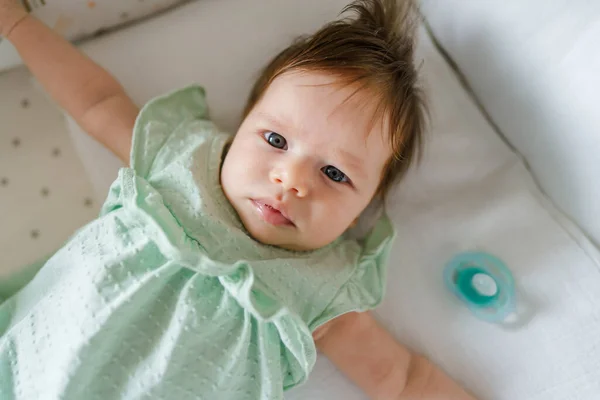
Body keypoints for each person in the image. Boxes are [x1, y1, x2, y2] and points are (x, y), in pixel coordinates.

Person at [0, 0, 476, 399]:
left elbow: (403, 379)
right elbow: (95, 101)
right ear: (242, 125)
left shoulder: (322, 288)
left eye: (334, 173)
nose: (290, 180)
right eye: (275, 140)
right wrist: (18, 25)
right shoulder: (180, 158)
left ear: (367, 206)